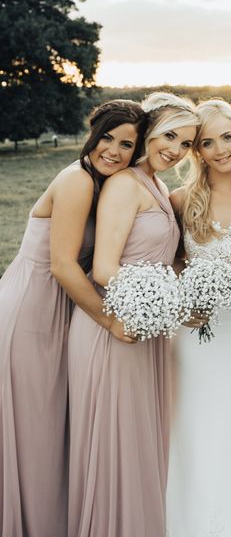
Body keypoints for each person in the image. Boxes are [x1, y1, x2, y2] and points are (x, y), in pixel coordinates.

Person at [0, 99, 147, 537]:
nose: (114, 151)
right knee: (32, 425)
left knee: (45, 426)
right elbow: (63, 266)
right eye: (108, 137)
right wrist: (109, 322)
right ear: (92, 132)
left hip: (60, 308)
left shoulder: (110, 183)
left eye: (127, 144)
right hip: (32, 309)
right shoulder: (77, 180)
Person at [67, 92, 199, 537]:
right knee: (114, 444)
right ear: (148, 132)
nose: (176, 149)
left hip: (146, 325)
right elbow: (104, 267)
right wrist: (166, 305)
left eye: (185, 143)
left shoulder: (158, 185)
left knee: (137, 442)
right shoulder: (125, 184)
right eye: (169, 136)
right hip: (116, 327)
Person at [166, 99, 231, 537]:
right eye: (207, 142)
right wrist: (185, 297)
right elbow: (168, 263)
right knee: (194, 417)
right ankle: (189, 517)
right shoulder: (178, 199)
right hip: (194, 331)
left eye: (228, 137)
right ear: (197, 152)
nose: (220, 149)